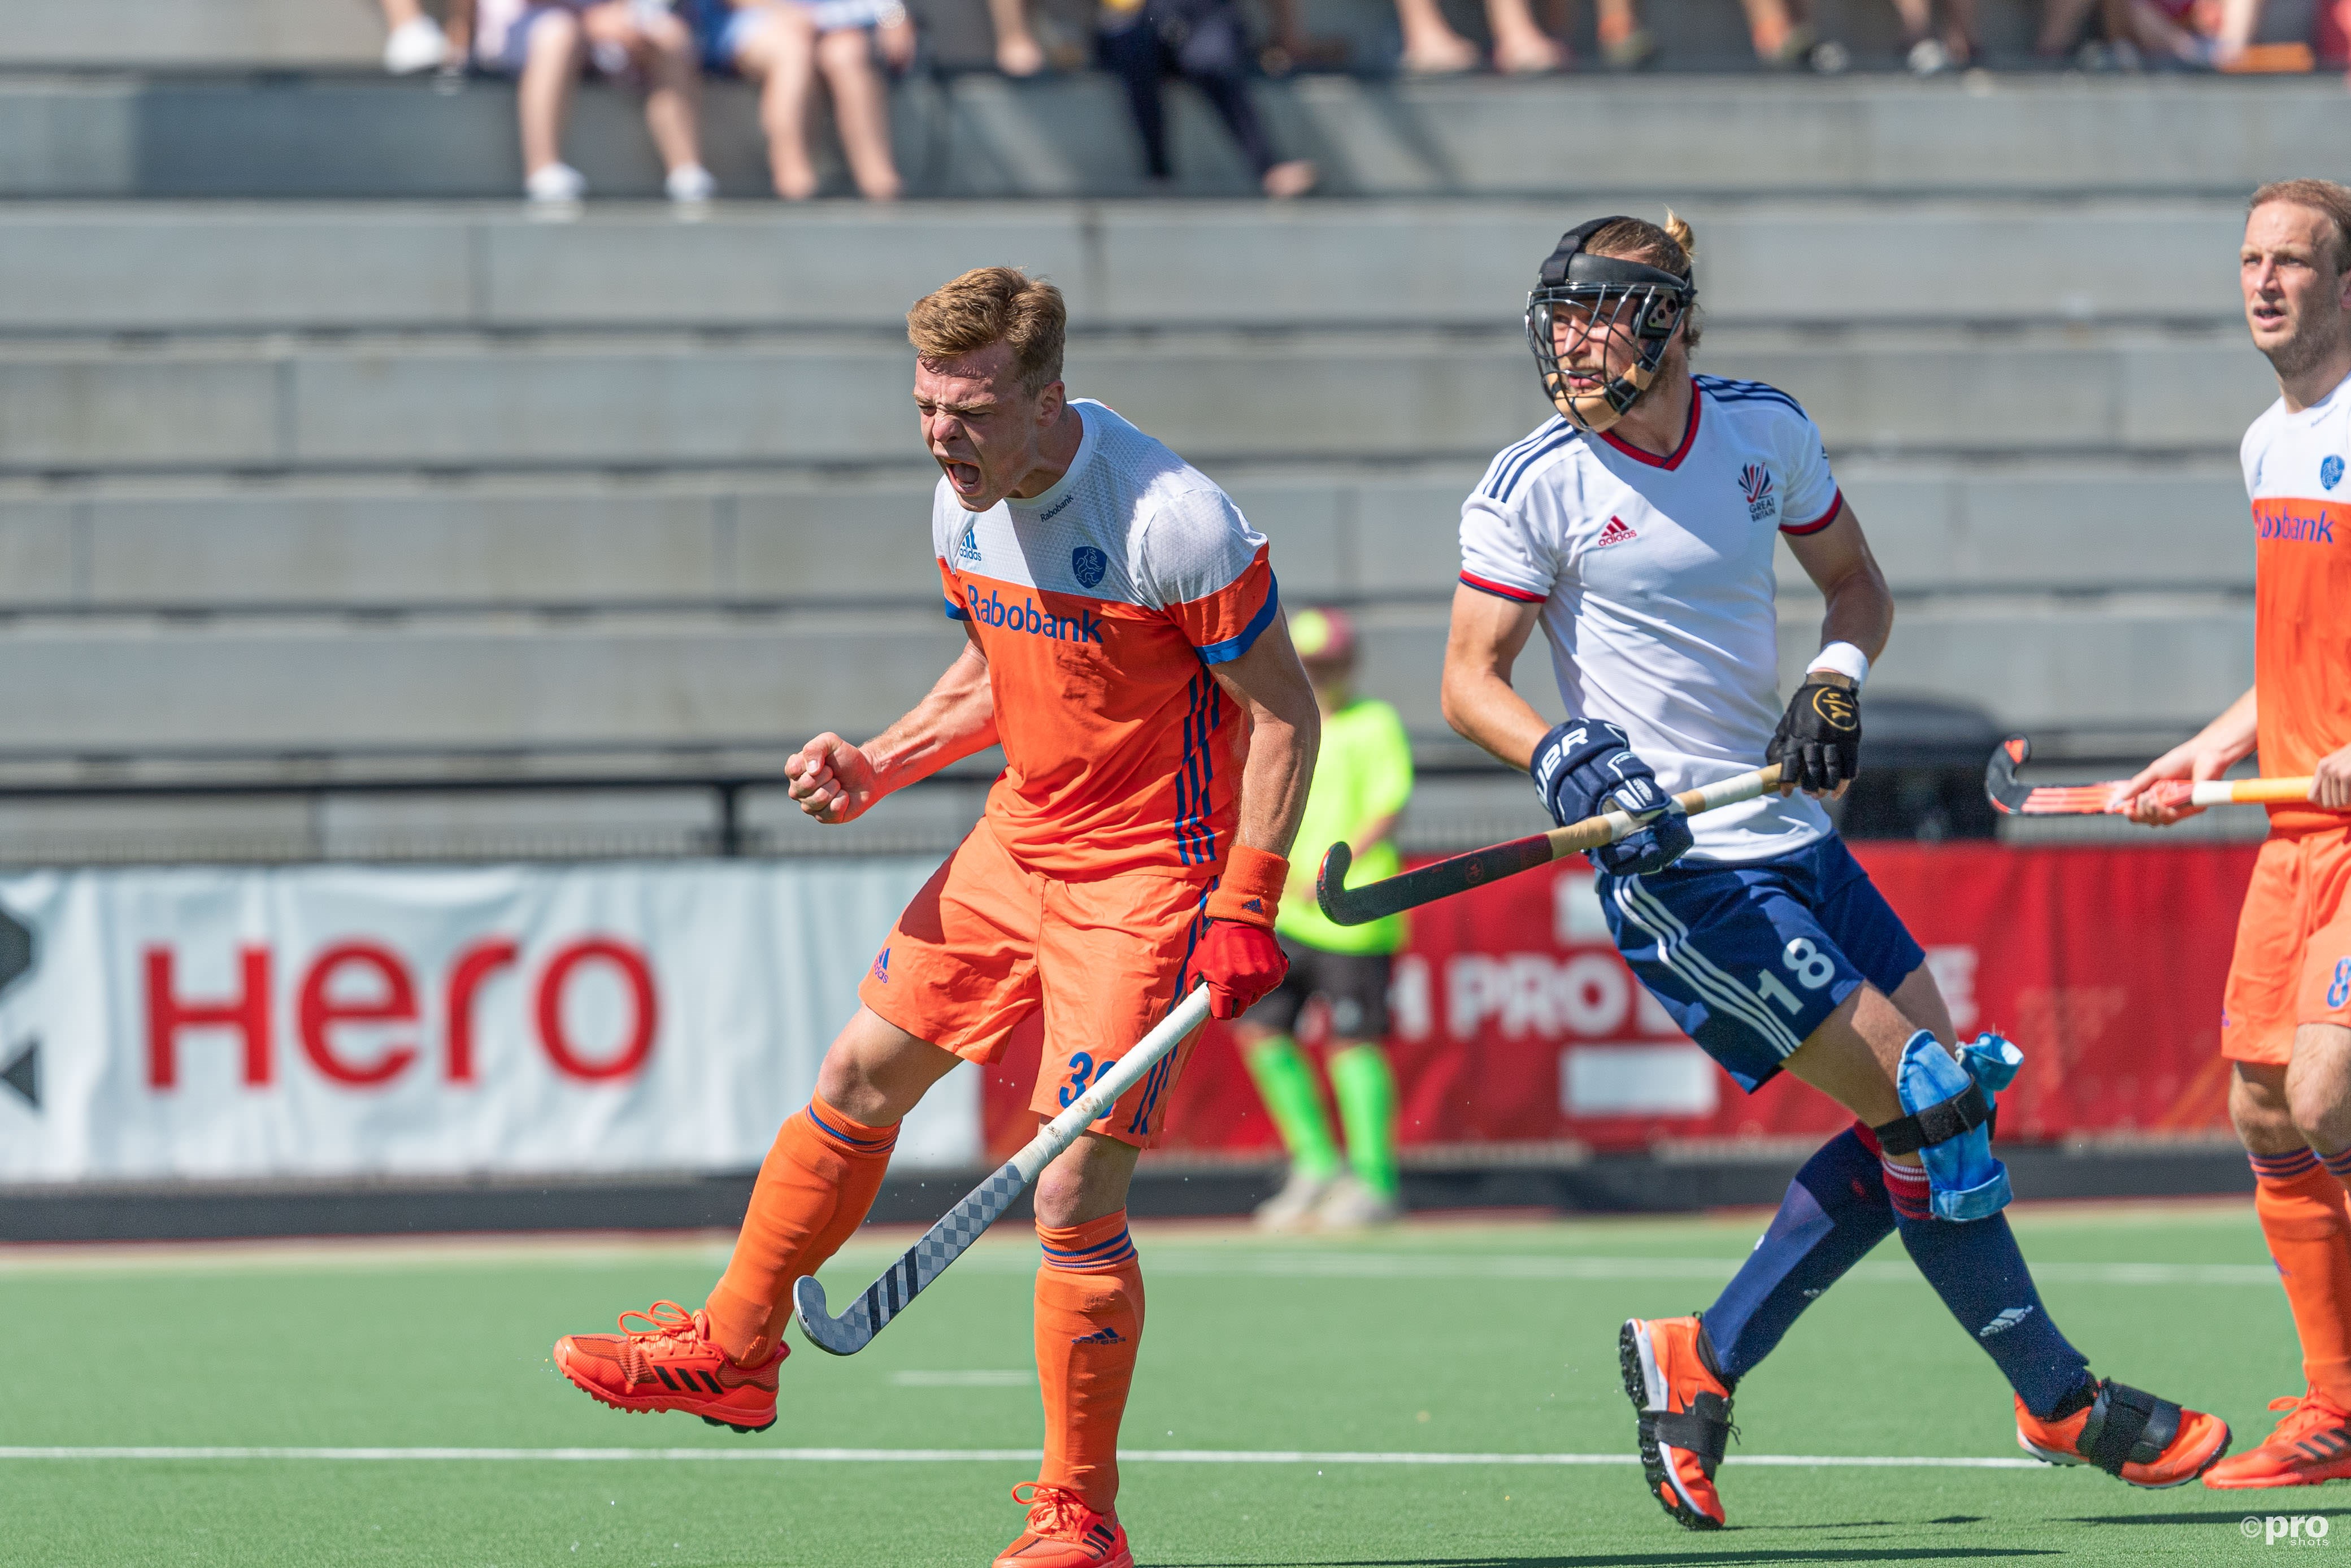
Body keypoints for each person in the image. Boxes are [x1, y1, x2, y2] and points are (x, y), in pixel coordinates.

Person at [1440, 211, 2231, 1531]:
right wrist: (1565, 748)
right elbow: (1471, 683)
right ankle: (2059, 1396)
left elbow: (1856, 587)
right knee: (1919, 1096)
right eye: (1561, 316)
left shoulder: (1760, 432)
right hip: (1680, 864)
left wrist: (1832, 679)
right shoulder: (1531, 483)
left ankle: (1701, 1360)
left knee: (1944, 1116)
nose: (1573, 344)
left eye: (1602, 316)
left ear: (1673, 325)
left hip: (1796, 841)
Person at [549, 267, 1319, 1568]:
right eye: (924, 406)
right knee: (856, 1072)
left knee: (1074, 1182)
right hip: (1016, 842)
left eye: (966, 410)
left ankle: (1079, 1513)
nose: (939, 436)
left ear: (1044, 398)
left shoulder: (1174, 523)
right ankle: (736, 1349)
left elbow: (1288, 711)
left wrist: (1245, 897)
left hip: (1143, 878)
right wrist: (884, 760)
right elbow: (999, 659)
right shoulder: (960, 503)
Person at [2115, 179, 2351, 1491]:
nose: (2264, 282)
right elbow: (2304, 651)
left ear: (2347, 286)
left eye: (2295, 262)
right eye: (2251, 259)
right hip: (2295, 828)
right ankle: (2337, 1407)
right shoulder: (2266, 443)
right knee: (2264, 1109)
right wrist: (2211, 745)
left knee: (2330, 1092)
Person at [1232, 606, 1414, 1231]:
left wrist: (1333, 874)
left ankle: (1373, 1179)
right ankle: (1316, 1164)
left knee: (1352, 1041)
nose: (1323, 674)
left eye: (1332, 663)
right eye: (1312, 664)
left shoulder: (1374, 723)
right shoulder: (1281, 722)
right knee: (1261, 1033)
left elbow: (1389, 805)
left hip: (1353, 913)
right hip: (1287, 912)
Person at [451, 0, 718, 205]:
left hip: (608, 26)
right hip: (533, 25)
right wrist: (592, 20)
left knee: (670, 35)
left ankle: (687, 174)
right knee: (558, 33)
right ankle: (543, 170)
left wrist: (633, 16)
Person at [1096, 0, 1318, 199]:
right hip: (1138, 19)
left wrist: (1289, 35)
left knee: (1211, 60)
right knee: (1136, 55)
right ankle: (1157, 173)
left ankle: (1269, 167)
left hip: (1207, 17)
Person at [696, 0, 914, 200]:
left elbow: (886, 6)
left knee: (847, 54)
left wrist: (894, 15)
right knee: (793, 51)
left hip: (834, 22)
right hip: (756, 18)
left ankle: (877, 175)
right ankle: (792, 174)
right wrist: (787, 13)